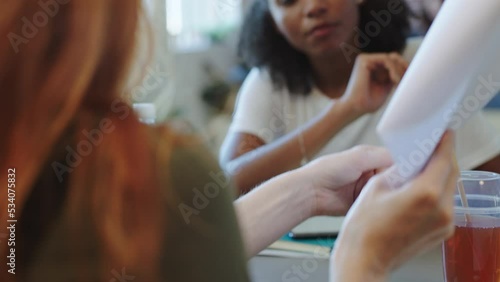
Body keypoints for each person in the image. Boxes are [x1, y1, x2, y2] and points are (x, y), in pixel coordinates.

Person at [0, 0, 457, 281]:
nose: (313, 7)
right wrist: (365, 262)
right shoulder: (160, 166)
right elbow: (222, 182)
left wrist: (308, 189)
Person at [220, 0, 500, 194]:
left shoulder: (419, 65)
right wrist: (345, 109)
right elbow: (228, 184)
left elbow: (491, 177)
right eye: (288, 1)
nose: (313, 7)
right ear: (274, 22)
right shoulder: (269, 82)